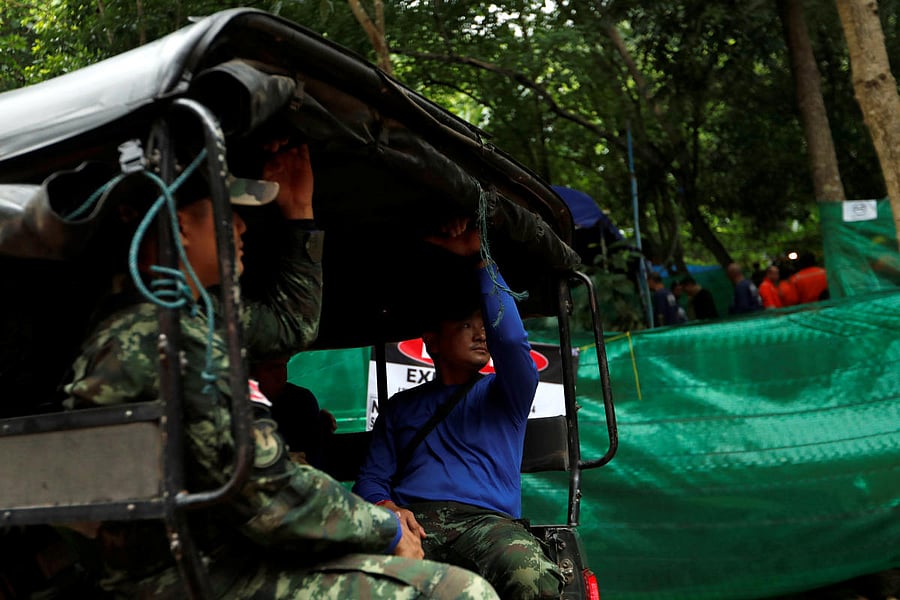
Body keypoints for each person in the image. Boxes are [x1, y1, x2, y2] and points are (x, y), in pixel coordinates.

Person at [62, 140, 498, 599]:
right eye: (225, 214)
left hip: (210, 553)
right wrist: (385, 527)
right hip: (194, 573)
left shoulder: (185, 318)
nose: (242, 225)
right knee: (460, 592)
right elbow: (269, 496)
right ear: (178, 226)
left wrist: (300, 210)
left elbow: (291, 323)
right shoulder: (170, 340)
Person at [353, 220, 564, 600]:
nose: (482, 333)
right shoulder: (401, 408)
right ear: (431, 341)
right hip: (417, 522)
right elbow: (370, 480)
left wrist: (483, 261)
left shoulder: (507, 392)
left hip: (489, 525)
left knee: (530, 574)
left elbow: (512, 339)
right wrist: (388, 510)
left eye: (484, 325)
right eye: (467, 325)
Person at [250, 355, 336, 469]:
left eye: (284, 366)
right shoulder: (233, 405)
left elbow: (311, 462)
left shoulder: (301, 401)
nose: (280, 376)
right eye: (272, 368)